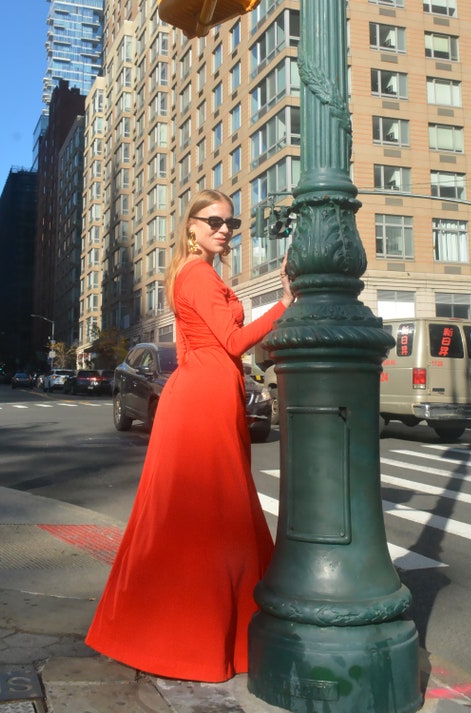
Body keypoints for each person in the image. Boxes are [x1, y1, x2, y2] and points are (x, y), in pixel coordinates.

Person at [86, 189, 294, 682]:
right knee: (214, 516)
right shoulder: (198, 274)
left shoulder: (190, 273)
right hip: (204, 399)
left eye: (231, 222)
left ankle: (191, 631)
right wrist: (285, 301)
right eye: (215, 221)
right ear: (192, 227)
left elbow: (193, 343)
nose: (225, 229)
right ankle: (198, 640)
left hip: (203, 393)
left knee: (201, 514)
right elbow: (234, 340)